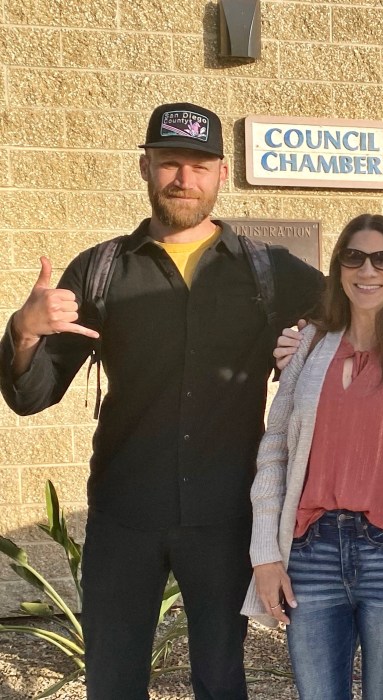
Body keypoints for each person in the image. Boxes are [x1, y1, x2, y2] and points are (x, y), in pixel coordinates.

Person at [0, 102, 322, 699]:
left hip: (226, 515)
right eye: (170, 163)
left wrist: (310, 344)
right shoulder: (101, 270)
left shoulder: (268, 271)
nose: (183, 179)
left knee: (220, 678)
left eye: (198, 166)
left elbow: (362, 315)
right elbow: (33, 393)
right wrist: (23, 330)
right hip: (125, 513)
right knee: (113, 679)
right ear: (145, 167)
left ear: (222, 173)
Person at [241, 213, 383, 700]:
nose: (368, 270)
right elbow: (274, 451)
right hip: (310, 556)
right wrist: (265, 554)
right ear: (338, 268)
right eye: (354, 257)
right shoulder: (310, 345)